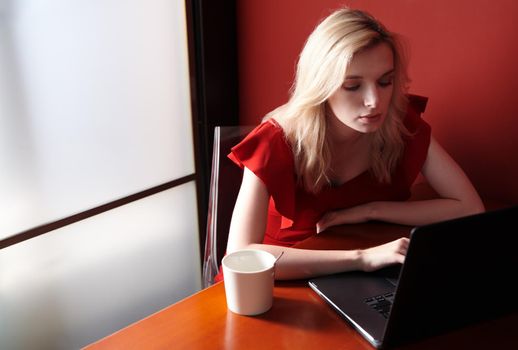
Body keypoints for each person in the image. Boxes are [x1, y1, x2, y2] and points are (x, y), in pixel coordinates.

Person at [224, 7, 484, 280]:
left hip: (352, 275)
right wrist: (363, 257)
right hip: (275, 284)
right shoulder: (276, 140)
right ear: (321, 86)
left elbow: (468, 206)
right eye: (352, 86)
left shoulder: (397, 121)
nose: (374, 101)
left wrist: (370, 211)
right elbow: (241, 255)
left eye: (385, 81)